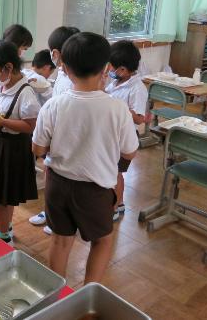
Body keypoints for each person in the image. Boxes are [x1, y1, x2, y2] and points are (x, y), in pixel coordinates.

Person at [32, 32, 138, 284]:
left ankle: (57, 297)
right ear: (107, 68)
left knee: (60, 240)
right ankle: (89, 295)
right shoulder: (117, 109)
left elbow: (37, 149)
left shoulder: (54, 105)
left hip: (57, 184)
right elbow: (130, 151)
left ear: (65, 68)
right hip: (95, 189)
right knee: (102, 240)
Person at [0, 40, 40, 245]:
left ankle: (4, 235)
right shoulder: (2, 87)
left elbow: (31, 126)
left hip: (13, 148)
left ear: (9, 67)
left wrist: (3, 122)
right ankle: (6, 228)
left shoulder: (25, 92)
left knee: (2, 195)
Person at [28, 26, 79, 231]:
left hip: (67, 134)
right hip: (55, 132)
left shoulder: (74, 78)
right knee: (51, 172)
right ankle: (51, 212)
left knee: (64, 178)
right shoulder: (62, 74)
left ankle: (61, 216)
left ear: (55, 54)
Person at [105, 40, 148, 221]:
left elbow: (139, 118)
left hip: (125, 137)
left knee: (116, 173)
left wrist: (120, 108)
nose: (110, 71)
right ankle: (116, 202)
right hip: (112, 134)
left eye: (112, 68)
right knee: (109, 170)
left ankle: (116, 206)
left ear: (122, 69)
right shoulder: (117, 82)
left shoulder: (137, 88)